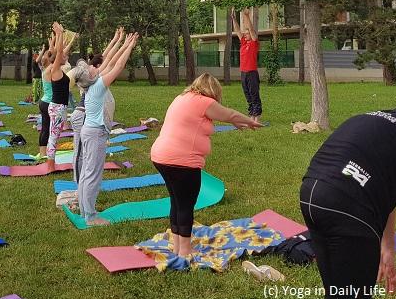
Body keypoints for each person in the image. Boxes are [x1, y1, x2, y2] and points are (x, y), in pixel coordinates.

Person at [300, 82, 396, 299]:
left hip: (312, 194)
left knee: (338, 292)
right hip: (349, 206)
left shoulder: (373, 118)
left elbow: (385, 192)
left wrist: (387, 247)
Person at [151, 72, 261, 256]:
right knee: (186, 204)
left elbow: (214, 119)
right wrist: (251, 122)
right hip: (182, 161)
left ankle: (177, 245)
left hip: (161, 156)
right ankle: (185, 251)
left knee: (177, 202)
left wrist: (237, 123)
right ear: (213, 91)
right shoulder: (204, 102)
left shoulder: (183, 98)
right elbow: (229, 114)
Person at [77, 32, 140, 225]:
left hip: (89, 130)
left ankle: (84, 210)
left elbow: (109, 58)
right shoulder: (98, 85)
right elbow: (118, 65)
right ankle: (90, 216)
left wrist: (122, 42)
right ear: (91, 74)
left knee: (87, 172)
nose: (92, 66)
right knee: (93, 174)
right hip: (95, 133)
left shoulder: (92, 83)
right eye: (89, 68)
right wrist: (129, 47)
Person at [46, 23, 78, 170]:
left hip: (59, 107)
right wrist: (59, 34)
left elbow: (60, 51)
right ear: (57, 60)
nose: (65, 54)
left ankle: (51, 163)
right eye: (63, 55)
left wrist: (61, 36)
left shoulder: (57, 69)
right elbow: (58, 52)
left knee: (55, 136)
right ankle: (50, 166)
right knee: (53, 137)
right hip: (58, 107)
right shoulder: (55, 69)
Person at [232, 7, 262, 119]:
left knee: (254, 94)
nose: (245, 35)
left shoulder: (254, 43)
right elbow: (237, 31)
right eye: (244, 33)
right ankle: (251, 114)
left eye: (247, 33)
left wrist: (247, 16)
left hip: (252, 73)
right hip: (243, 73)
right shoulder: (244, 43)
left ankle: (257, 115)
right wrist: (233, 19)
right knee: (247, 95)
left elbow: (251, 29)